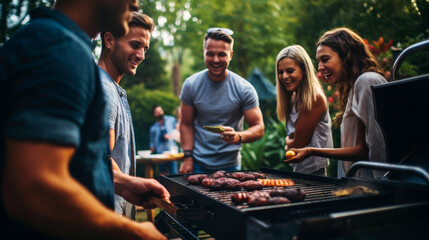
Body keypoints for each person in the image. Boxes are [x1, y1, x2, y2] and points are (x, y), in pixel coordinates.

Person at [0, 1, 168, 239]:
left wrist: (122, 183)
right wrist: (132, 232)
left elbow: (73, 162)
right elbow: (33, 189)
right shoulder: (61, 50)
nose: (136, 3)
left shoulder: (49, 40)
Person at [285, 27, 387, 179]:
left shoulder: (367, 81)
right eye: (319, 61)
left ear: (347, 56)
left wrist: (311, 151)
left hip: (370, 182)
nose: (319, 67)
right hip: (356, 180)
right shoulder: (355, 86)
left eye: (325, 59)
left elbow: (365, 149)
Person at [179, 28, 265, 174]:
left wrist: (239, 136)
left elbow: (259, 128)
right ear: (203, 53)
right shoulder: (191, 85)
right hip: (198, 163)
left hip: (231, 165)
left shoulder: (244, 88)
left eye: (222, 54)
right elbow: (186, 124)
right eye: (210, 54)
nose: (216, 59)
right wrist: (187, 158)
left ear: (230, 55)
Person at [98, 12, 155, 219]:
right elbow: (100, 158)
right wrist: (132, 185)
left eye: (145, 48)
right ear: (109, 40)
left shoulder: (112, 88)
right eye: (135, 45)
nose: (141, 55)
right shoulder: (104, 90)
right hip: (106, 211)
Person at [275, 45, 333, 177]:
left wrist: (287, 141)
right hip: (299, 169)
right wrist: (291, 141)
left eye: (290, 71)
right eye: (280, 72)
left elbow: (298, 143)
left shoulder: (313, 98)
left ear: (303, 70)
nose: (284, 76)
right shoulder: (294, 97)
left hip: (315, 172)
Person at [149, 105, 179, 174]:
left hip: (172, 153)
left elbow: (179, 131)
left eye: (160, 111)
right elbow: (152, 142)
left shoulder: (171, 120)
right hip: (160, 154)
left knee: (174, 173)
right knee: (162, 175)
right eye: (157, 112)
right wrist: (151, 148)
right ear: (154, 114)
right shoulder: (153, 128)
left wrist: (171, 136)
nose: (159, 113)